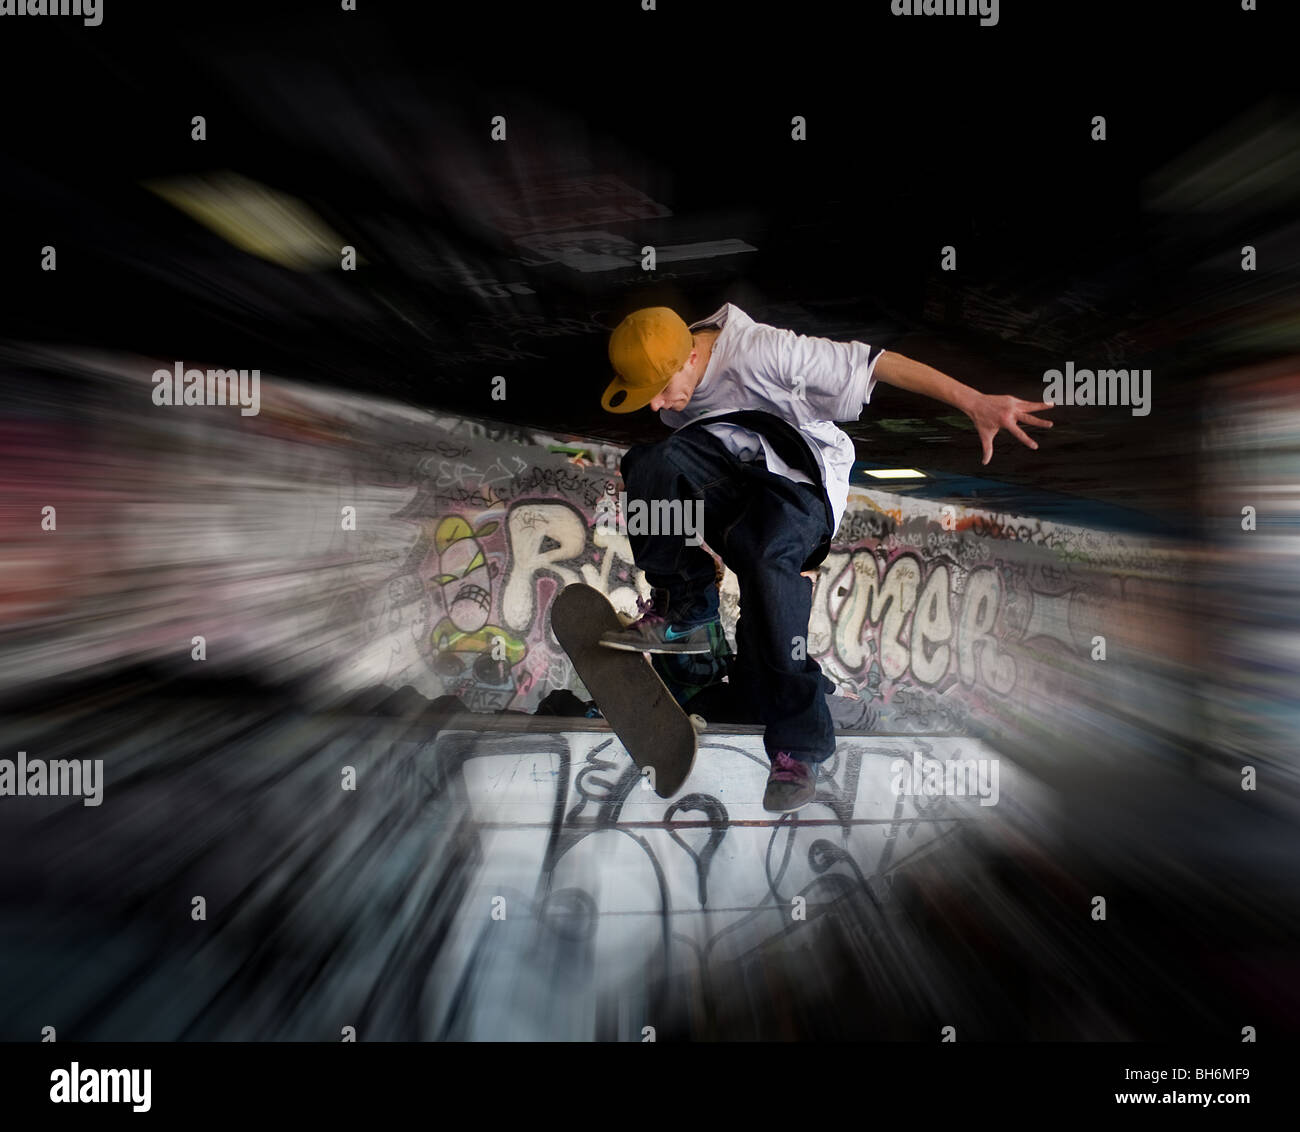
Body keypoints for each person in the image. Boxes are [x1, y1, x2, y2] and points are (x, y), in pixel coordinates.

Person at [598, 304, 1052, 812]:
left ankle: (798, 746)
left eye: (663, 390)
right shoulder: (672, 367)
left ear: (690, 358)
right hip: (737, 493)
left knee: (769, 572)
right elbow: (680, 461)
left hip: (799, 491)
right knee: (649, 463)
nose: (659, 405)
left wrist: (974, 402)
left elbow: (878, 363)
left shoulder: (766, 352)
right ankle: (686, 607)